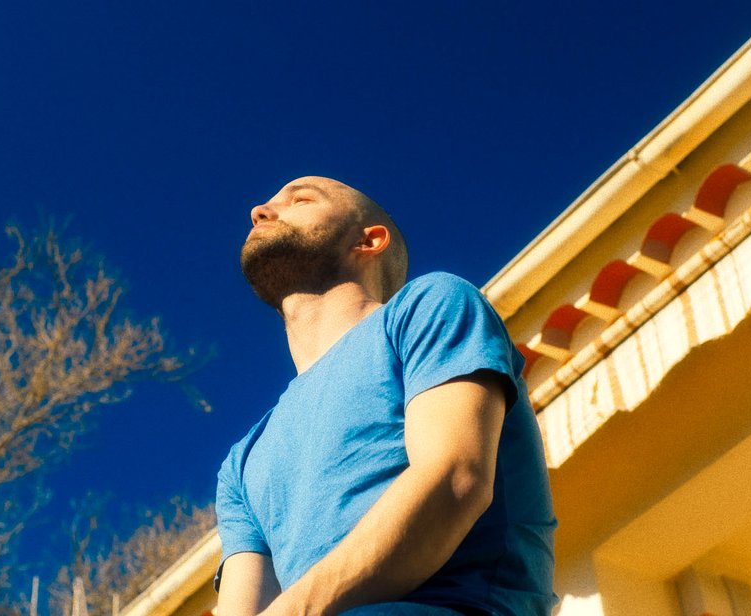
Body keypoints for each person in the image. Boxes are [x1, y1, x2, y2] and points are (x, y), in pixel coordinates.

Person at [215, 176, 556, 616]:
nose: (260, 210)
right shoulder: (242, 461)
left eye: (300, 199)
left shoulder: (431, 304)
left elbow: (455, 478)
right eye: (264, 205)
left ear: (369, 239)